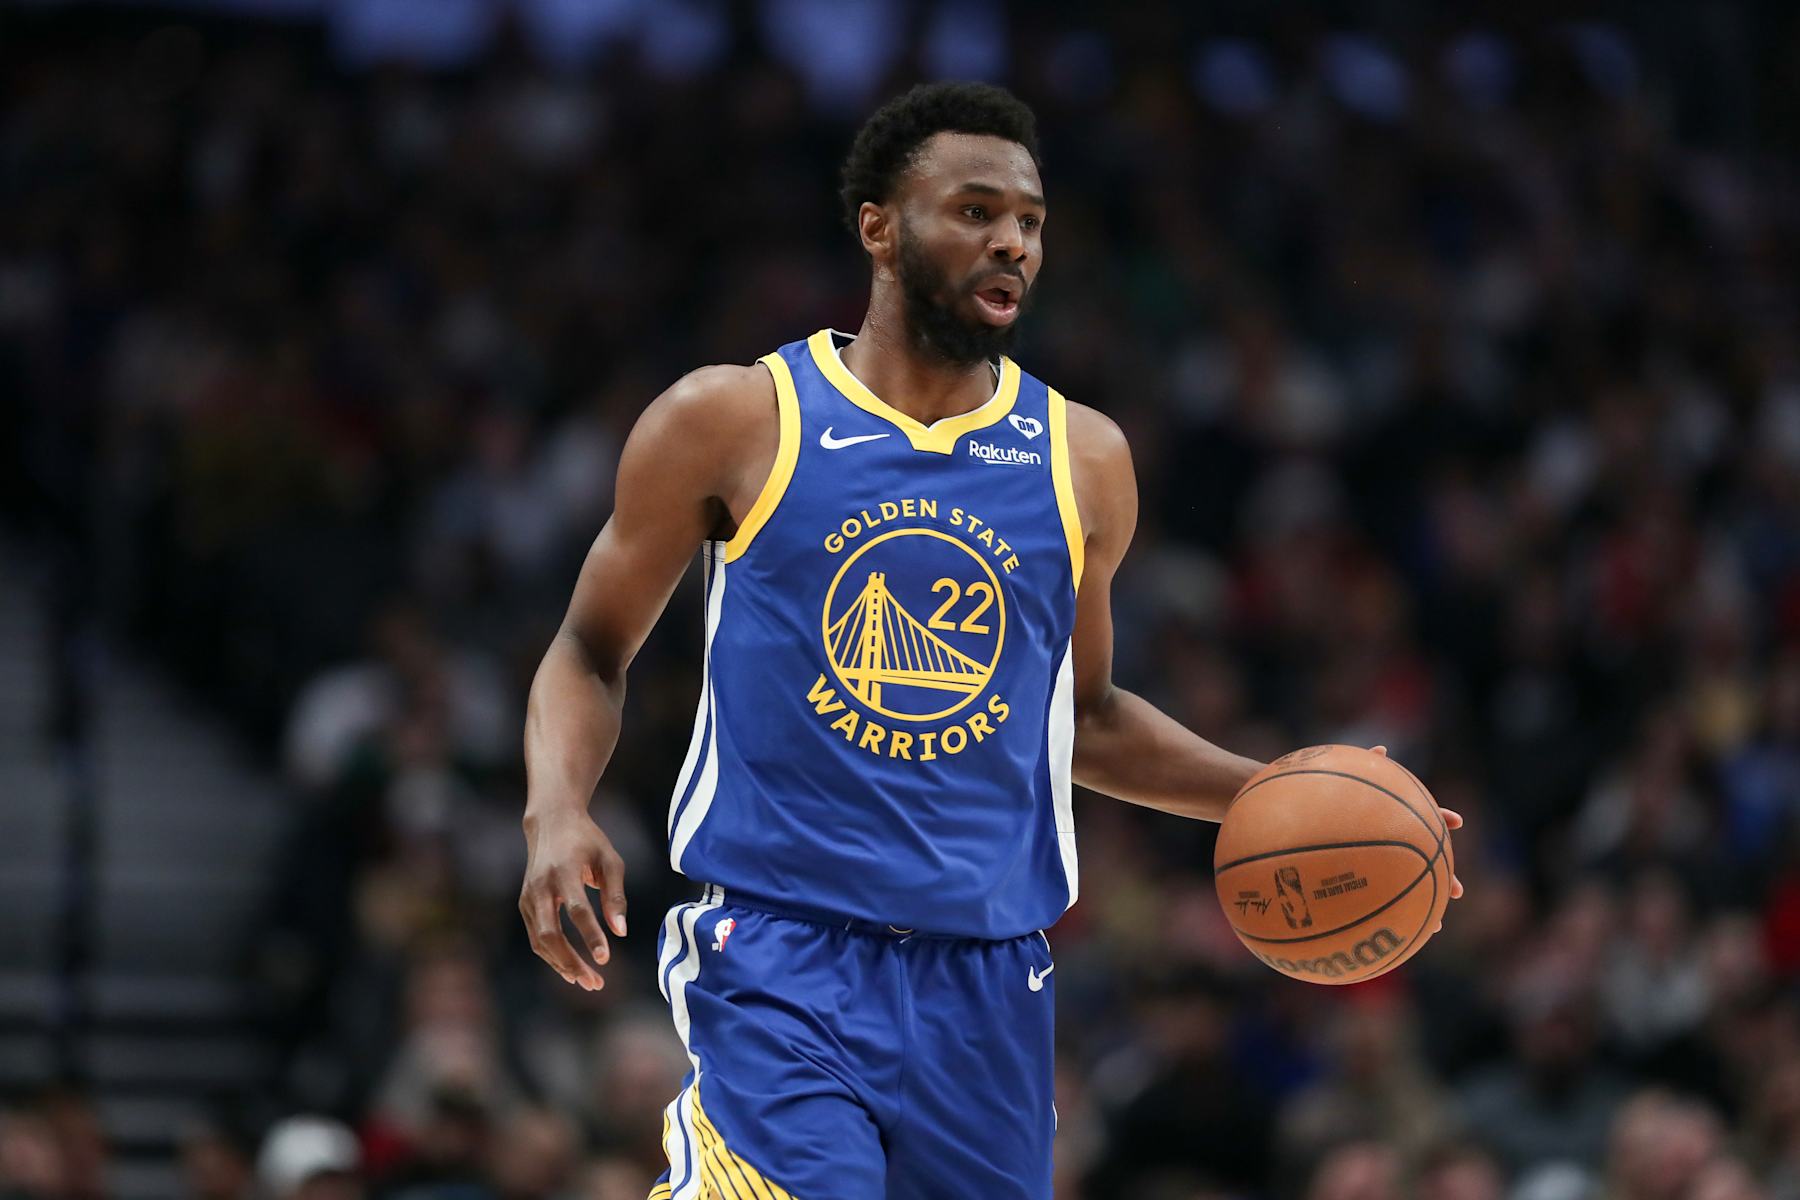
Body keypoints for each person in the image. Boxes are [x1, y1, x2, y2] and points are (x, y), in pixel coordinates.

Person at [518, 81, 1463, 1199]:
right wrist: (556, 810)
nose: (1012, 241)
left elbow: (1085, 718)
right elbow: (588, 648)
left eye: (1030, 221)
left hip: (991, 985)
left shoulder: (1083, 458)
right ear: (879, 227)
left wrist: (1292, 797)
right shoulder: (734, 418)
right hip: (782, 958)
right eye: (975, 211)